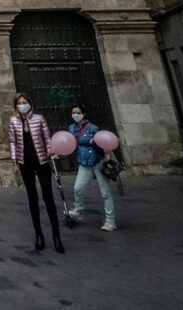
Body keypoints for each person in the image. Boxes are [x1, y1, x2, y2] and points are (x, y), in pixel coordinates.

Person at [8, 93, 64, 254]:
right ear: (16, 105)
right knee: (32, 198)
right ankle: (39, 235)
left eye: (25, 102)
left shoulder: (39, 119)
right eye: (19, 103)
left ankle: (56, 237)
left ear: (30, 104)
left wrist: (51, 151)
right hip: (26, 162)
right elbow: (13, 142)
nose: (22, 105)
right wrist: (15, 162)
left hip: (42, 161)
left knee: (48, 198)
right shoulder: (13, 121)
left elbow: (47, 138)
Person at [68, 106, 117, 232]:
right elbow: (70, 143)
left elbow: (103, 142)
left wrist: (97, 143)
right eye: (73, 113)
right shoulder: (72, 128)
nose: (75, 115)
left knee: (105, 192)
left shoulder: (93, 128)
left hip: (98, 162)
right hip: (84, 163)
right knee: (78, 188)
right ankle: (78, 210)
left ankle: (110, 220)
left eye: (78, 113)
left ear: (84, 114)